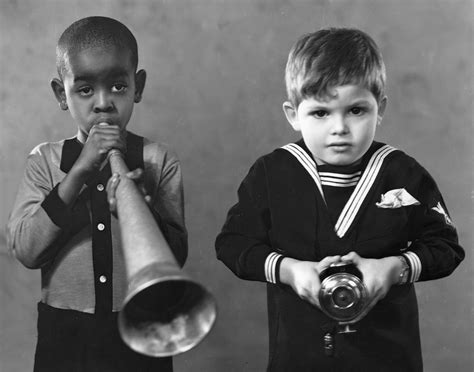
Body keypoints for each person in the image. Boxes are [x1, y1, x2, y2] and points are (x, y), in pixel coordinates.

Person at [215, 28, 464, 371]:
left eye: (356, 110)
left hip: (389, 356)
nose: (340, 128)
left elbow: (447, 247)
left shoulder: (403, 173)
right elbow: (232, 244)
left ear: (380, 109)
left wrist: (395, 267)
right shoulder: (272, 173)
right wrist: (289, 271)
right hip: (300, 356)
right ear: (293, 115)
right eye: (320, 113)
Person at [7, 16, 187, 372]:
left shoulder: (158, 159)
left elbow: (175, 258)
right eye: (85, 89)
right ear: (62, 94)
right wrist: (78, 175)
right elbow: (27, 251)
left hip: (142, 325)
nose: (103, 104)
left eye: (118, 87)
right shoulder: (44, 161)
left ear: (138, 86)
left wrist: (138, 207)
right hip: (67, 333)